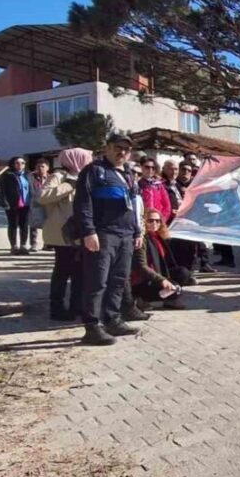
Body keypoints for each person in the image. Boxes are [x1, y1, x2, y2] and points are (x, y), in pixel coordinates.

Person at [74, 133, 143, 346]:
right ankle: (92, 327)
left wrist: (137, 231)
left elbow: (134, 205)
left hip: (126, 235)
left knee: (119, 280)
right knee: (97, 281)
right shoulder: (94, 171)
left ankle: (113, 320)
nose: (122, 152)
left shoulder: (128, 173)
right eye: (117, 147)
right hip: (103, 234)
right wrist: (88, 232)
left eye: (126, 149)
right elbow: (82, 203)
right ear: (107, 148)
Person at [39, 148, 92, 321]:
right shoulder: (59, 176)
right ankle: (57, 308)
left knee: (80, 273)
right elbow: (42, 196)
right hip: (63, 234)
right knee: (62, 272)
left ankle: (77, 306)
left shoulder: (87, 177)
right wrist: (69, 185)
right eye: (86, 158)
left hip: (82, 232)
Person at [131, 209, 193, 310]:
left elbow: (168, 262)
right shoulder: (141, 240)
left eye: (158, 221)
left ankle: (169, 300)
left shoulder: (158, 237)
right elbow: (141, 266)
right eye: (150, 220)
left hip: (159, 272)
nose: (155, 223)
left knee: (182, 273)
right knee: (175, 291)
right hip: (144, 278)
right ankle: (141, 298)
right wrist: (162, 280)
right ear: (143, 222)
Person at [0, 156, 32, 254]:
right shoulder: (7, 175)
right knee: (13, 225)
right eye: (17, 163)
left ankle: (23, 246)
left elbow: (31, 189)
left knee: (24, 225)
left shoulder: (28, 175)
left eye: (22, 163)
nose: (20, 165)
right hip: (12, 204)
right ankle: (14, 246)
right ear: (13, 164)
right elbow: (2, 190)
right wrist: (4, 202)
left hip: (26, 204)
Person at [26, 158, 54, 252]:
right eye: (38, 166)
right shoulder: (30, 177)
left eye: (42, 166)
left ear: (48, 168)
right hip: (34, 202)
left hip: (48, 202)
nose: (40, 168)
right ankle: (33, 244)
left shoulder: (51, 178)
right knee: (33, 224)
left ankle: (48, 244)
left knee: (48, 224)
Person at [137, 157, 172, 225]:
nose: (150, 170)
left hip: (157, 222)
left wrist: (162, 220)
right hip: (142, 222)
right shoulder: (137, 185)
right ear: (141, 167)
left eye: (153, 168)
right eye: (147, 167)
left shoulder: (159, 185)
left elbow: (167, 205)